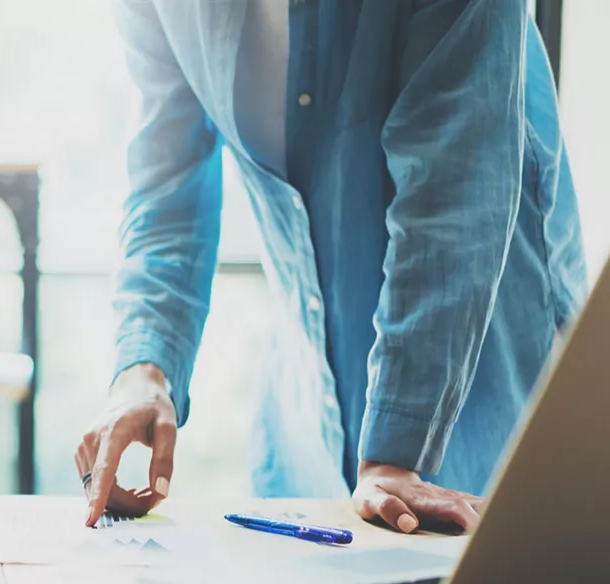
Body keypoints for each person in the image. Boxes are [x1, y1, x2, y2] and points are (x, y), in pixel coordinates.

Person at [79, 0, 586, 533]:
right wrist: (143, 373)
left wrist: (396, 452)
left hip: (476, 372)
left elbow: (452, 197)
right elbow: (166, 196)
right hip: (308, 399)